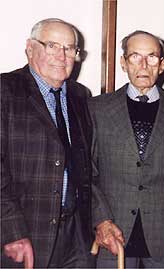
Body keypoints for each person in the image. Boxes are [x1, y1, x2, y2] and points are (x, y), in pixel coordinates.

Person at [89, 30, 164, 268]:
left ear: (162, 65)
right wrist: (101, 220)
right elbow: (88, 173)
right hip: (112, 234)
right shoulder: (97, 109)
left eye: (151, 57)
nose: (143, 64)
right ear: (123, 62)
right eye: (135, 57)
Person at [1, 18, 98, 268]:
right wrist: (12, 230)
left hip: (76, 235)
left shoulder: (80, 95)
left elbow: (87, 166)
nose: (62, 56)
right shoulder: (5, 91)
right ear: (30, 48)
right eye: (52, 46)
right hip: (25, 233)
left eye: (70, 49)